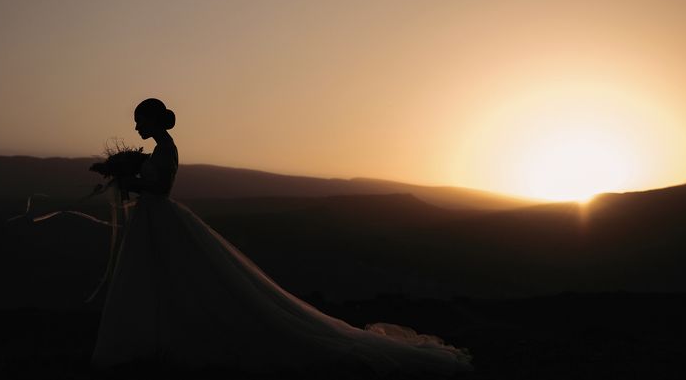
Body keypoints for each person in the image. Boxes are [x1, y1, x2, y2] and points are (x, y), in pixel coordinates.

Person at [91, 98, 474, 377]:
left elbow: (160, 189)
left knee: (174, 275)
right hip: (154, 219)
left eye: (140, 121)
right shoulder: (160, 149)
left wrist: (127, 179)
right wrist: (129, 174)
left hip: (159, 217)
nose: (137, 128)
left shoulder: (166, 149)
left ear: (153, 120)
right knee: (160, 276)